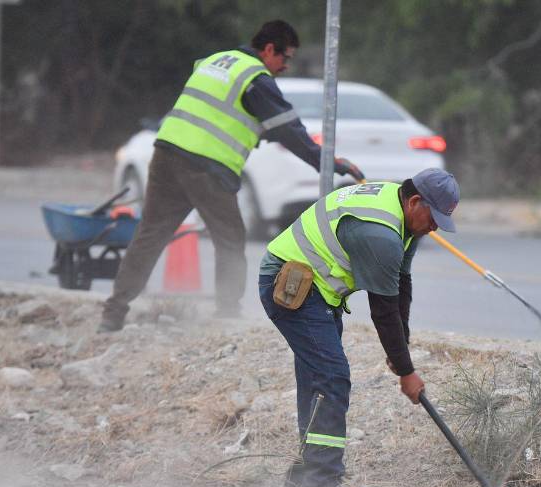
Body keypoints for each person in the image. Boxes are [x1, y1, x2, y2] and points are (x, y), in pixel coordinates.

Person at [99, 19, 363, 332]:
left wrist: (256, 132)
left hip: (167, 154)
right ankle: (227, 311)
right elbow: (289, 131)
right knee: (230, 237)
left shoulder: (214, 61)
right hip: (206, 166)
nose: (286, 66)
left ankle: (113, 314)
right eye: (285, 57)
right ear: (268, 50)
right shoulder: (256, 77)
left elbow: (219, 112)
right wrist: (329, 163)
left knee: (150, 235)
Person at [258, 168, 459, 487]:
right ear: (414, 202)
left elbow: (400, 284)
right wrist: (407, 372)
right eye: (433, 217)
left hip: (320, 292)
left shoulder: (402, 218)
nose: (435, 227)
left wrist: (401, 351)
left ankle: (304, 477)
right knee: (332, 378)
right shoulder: (379, 235)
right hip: (291, 283)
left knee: (319, 381)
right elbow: (382, 310)